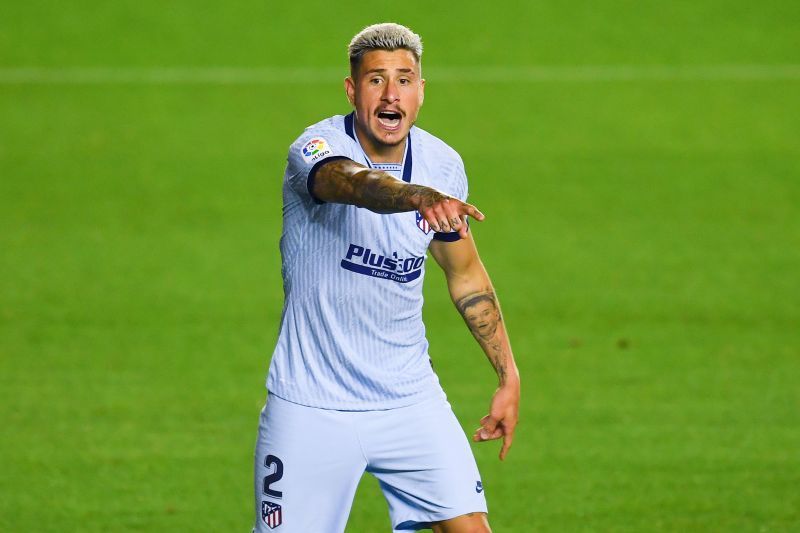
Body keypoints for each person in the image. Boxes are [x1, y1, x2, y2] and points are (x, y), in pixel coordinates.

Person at [253, 22, 520, 533]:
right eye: (376, 80)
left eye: (405, 79)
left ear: (421, 91)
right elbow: (353, 184)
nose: (391, 93)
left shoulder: (443, 165)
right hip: (311, 406)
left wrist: (507, 375)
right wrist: (415, 197)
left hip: (409, 399)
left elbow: (465, 274)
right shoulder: (316, 149)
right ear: (353, 90)